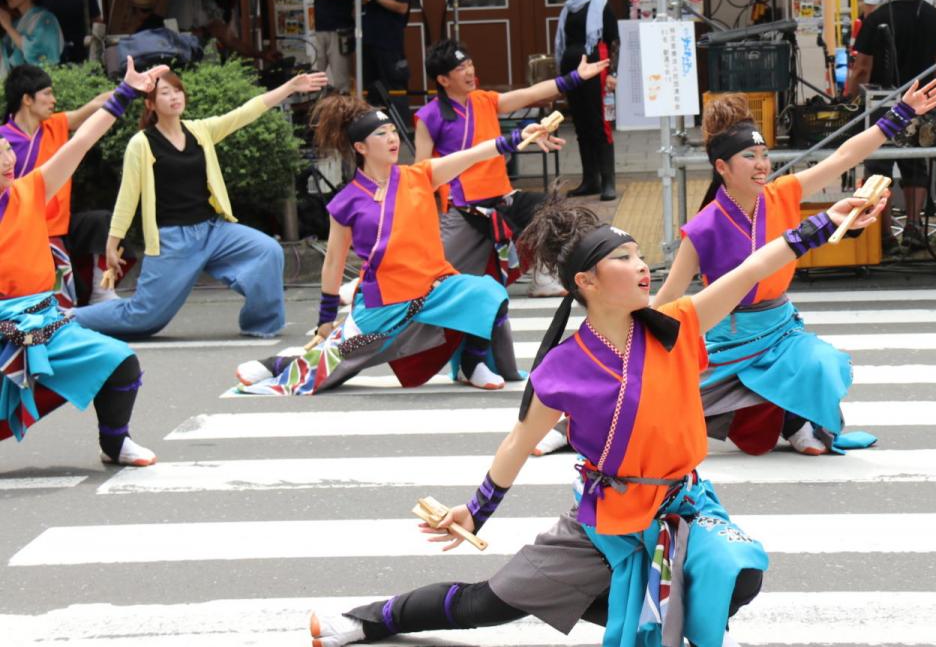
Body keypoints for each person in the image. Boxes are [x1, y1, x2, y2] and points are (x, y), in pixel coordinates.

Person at [308, 191, 885, 647]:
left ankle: (637, 609)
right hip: (602, 521)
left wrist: (821, 224)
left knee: (739, 572)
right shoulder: (563, 367)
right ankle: (368, 621)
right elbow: (520, 439)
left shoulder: (676, 324)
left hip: (682, 507)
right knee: (489, 605)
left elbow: (751, 268)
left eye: (639, 255)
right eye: (624, 259)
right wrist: (475, 511)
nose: (642, 267)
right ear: (586, 283)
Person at [645, 78, 936, 458]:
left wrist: (900, 114)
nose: (762, 165)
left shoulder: (781, 192)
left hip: (780, 328)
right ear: (722, 166)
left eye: (764, 155)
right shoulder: (703, 227)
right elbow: (669, 296)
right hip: (728, 339)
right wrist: (633, 345)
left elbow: (842, 158)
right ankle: (571, 425)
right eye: (749, 157)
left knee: (820, 362)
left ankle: (797, 419)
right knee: (653, 406)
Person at [235, 94, 562, 395]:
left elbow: (472, 154)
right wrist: (324, 319)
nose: (392, 139)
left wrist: (518, 138)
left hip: (435, 287)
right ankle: (274, 365)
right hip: (384, 302)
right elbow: (333, 263)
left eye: (393, 131)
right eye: (382, 134)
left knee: (489, 292)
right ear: (361, 147)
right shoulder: (347, 202)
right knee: (327, 368)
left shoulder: (419, 176)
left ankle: (470, 362)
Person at [71, 71, 328, 339]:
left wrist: (289, 86)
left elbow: (246, 112)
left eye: (177, 91)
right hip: (172, 239)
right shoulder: (142, 143)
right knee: (143, 318)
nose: (174, 97)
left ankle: (260, 325)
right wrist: (112, 244)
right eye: (165, 93)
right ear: (150, 104)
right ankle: (68, 318)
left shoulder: (200, 131)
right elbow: (128, 197)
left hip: (214, 231)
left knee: (267, 251)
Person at [1, 56, 168, 466]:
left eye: (7, 150)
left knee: (120, 364)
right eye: (0, 151)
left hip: (40, 320)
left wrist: (126, 92)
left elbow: (79, 143)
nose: (7, 158)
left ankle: (115, 444)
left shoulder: (30, 190)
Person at [414, 40, 608, 297]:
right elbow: (420, 173)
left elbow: (529, 94)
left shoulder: (485, 100)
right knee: (438, 280)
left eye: (470, 64)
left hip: (502, 197)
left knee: (551, 211)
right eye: (461, 68)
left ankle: (543, 278)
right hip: (464, 208)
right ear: (443, 79)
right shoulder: (429, 116)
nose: (470, 72)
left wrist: (574, 78)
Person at [1, 64, 137, 307]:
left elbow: (89, 121)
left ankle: (101, 292)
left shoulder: (55, 126)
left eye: (9, 152)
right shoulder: (4, 139)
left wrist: (127, 90)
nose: (54, 100)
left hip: (57, 225)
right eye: (47, 93)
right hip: (22, 229)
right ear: (27, 99)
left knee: (100, 222)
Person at [845, 0, 936, 250]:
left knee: (878, 166)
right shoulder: (935, 17)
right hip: (922, 101)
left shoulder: (875, 19)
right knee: (915, 162)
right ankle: (914, 226)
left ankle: (884, 234)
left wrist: (849, 99)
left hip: (881, 104)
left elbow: (862, 68)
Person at [553, 0, 619, 200]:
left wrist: (612, 73)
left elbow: (613, 39)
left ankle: (608, 182)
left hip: (595, 71)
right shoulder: (569, 7)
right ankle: (590, 180)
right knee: (581, 126)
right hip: (573, 74)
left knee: (598, 124)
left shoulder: (601, 1)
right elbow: (564, 43)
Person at [361, 0, 411, 109]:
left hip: (389, 43)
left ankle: (401, 132)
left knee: (394, 90)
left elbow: (402, 7)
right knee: (372, 92)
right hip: (368, 41)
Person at [0, 0, 63, 76]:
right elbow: (5, 50)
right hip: (18, 82)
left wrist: (8, 27)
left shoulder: (46, 19)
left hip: (38, 81)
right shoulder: (16, 23)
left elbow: (38, 53)